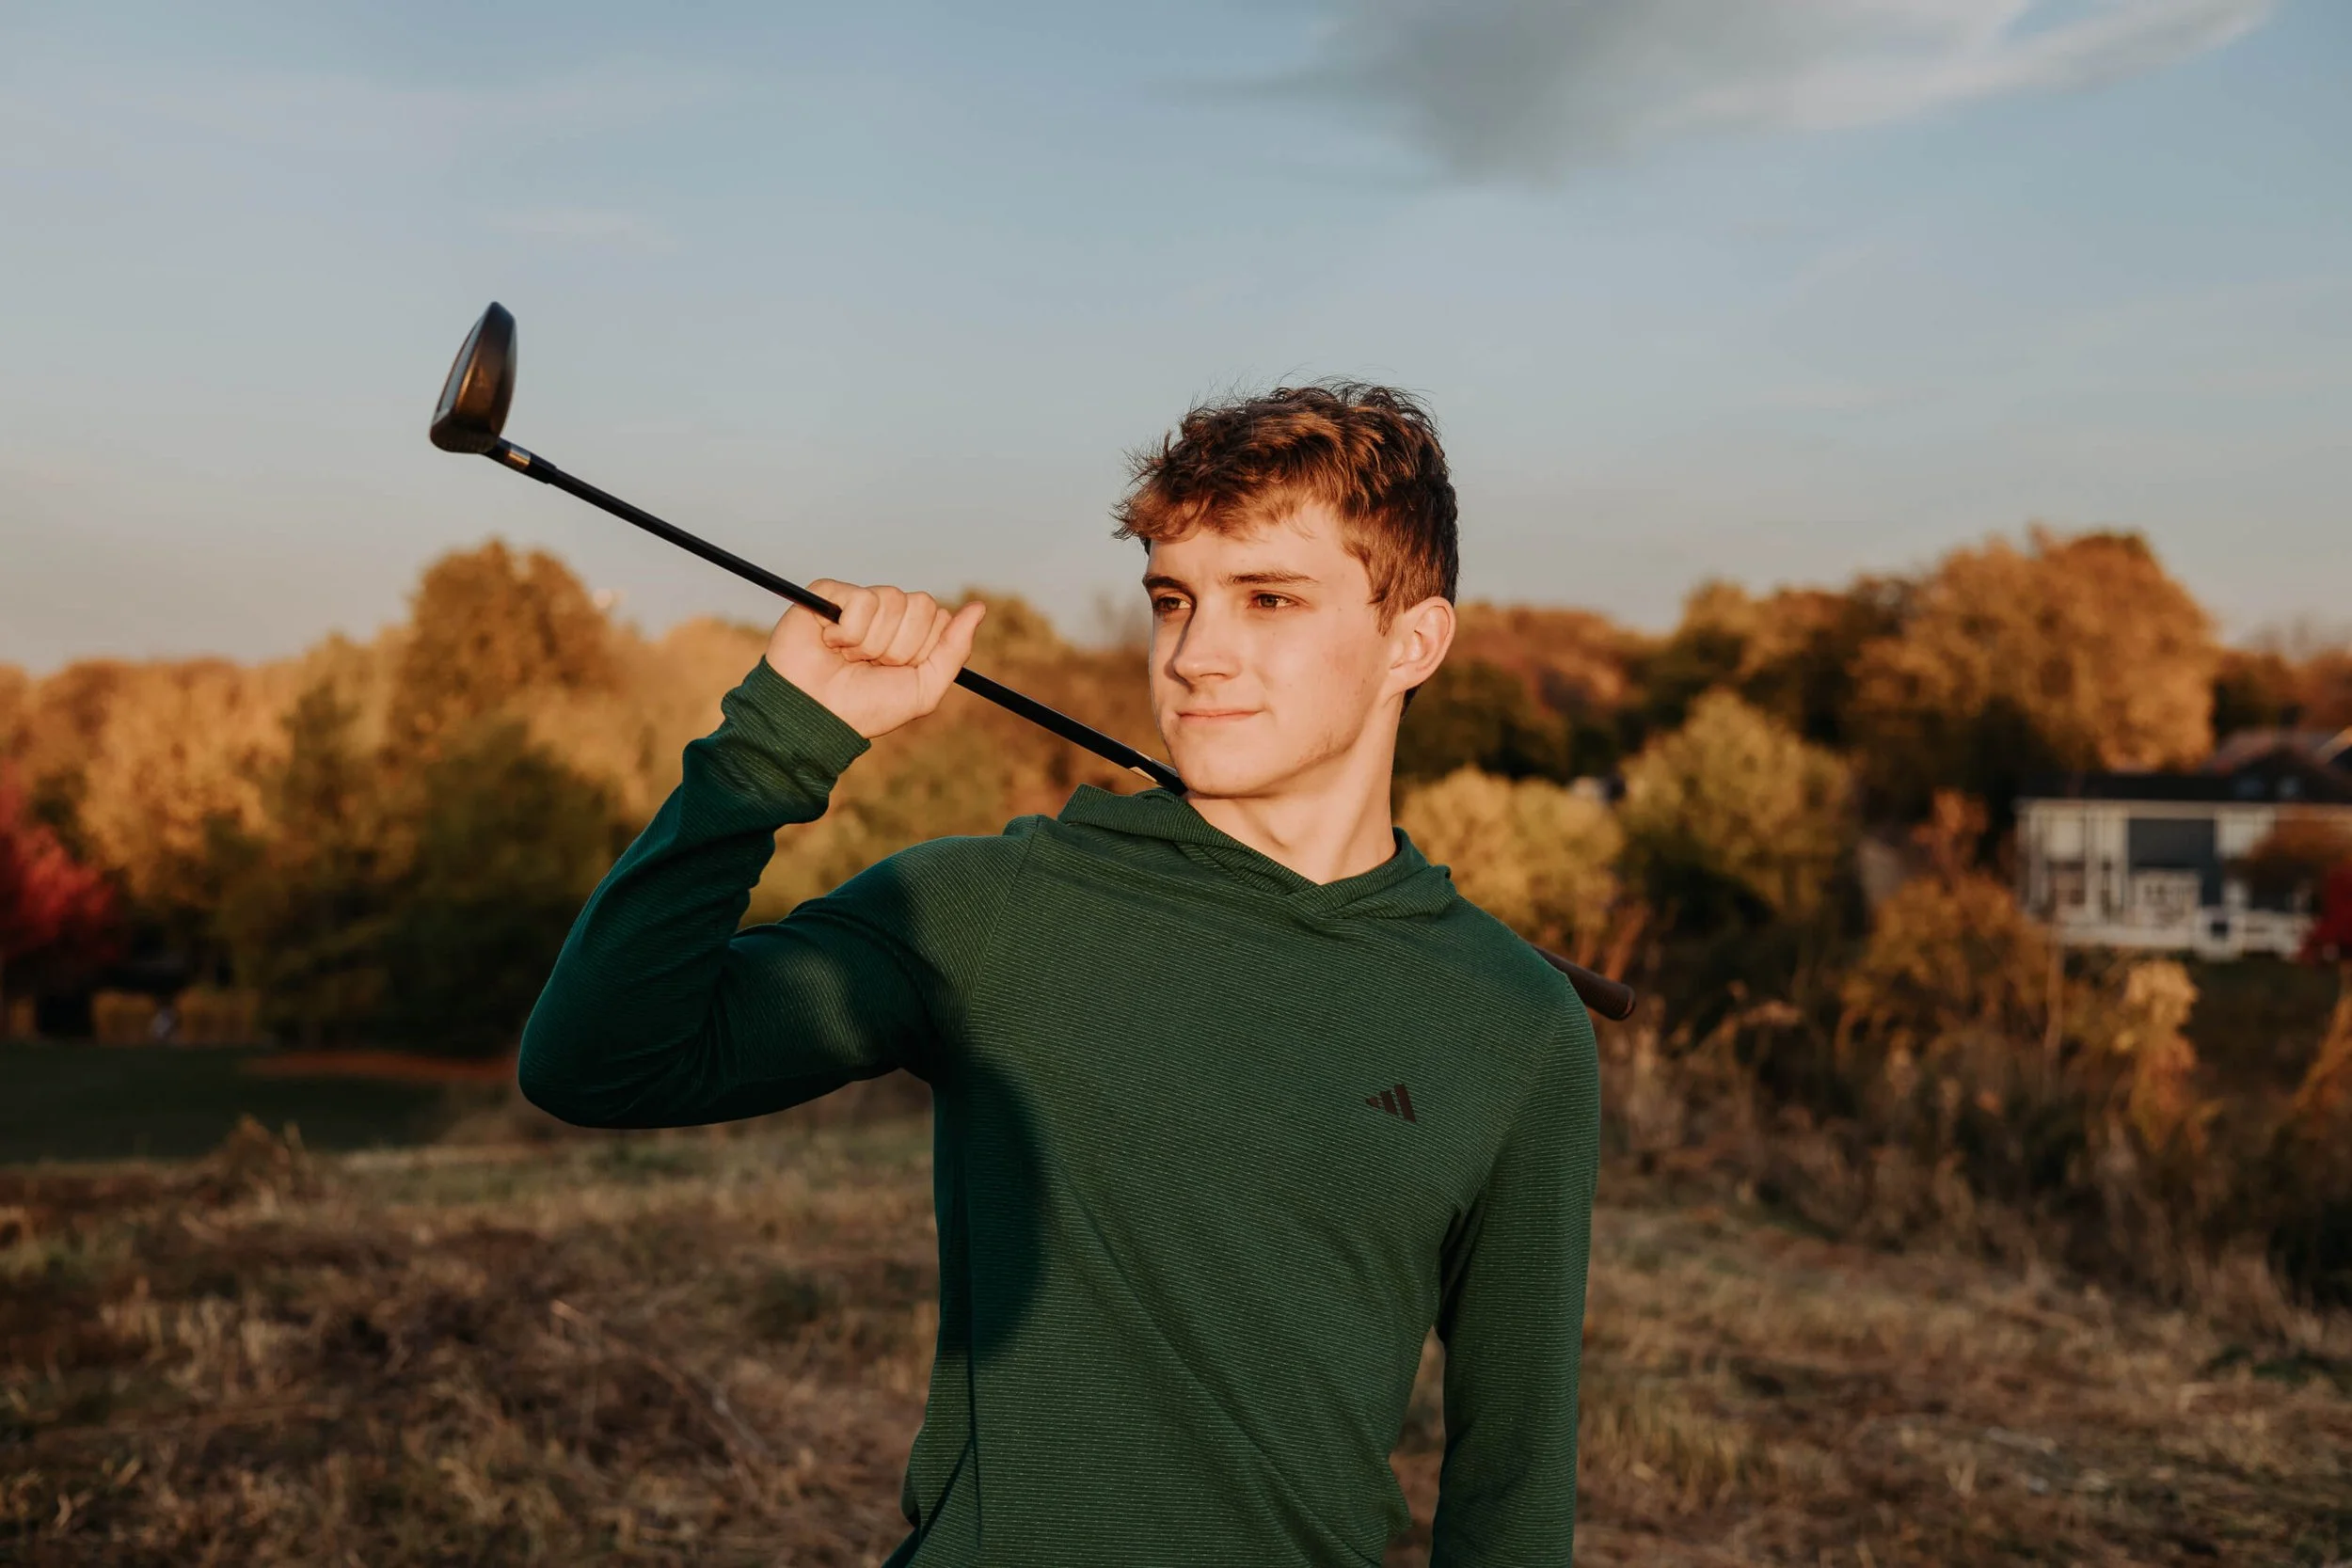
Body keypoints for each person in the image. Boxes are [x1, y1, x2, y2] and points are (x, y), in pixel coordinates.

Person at [519, 384, 1601, 1565]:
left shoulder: (1516, 1020)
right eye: (1173, 599)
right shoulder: (994, 908)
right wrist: (774, 743)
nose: (1197, 654)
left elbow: (1514, 1479)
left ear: (1414, 641)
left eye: (1270, 598)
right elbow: (597, 1062)